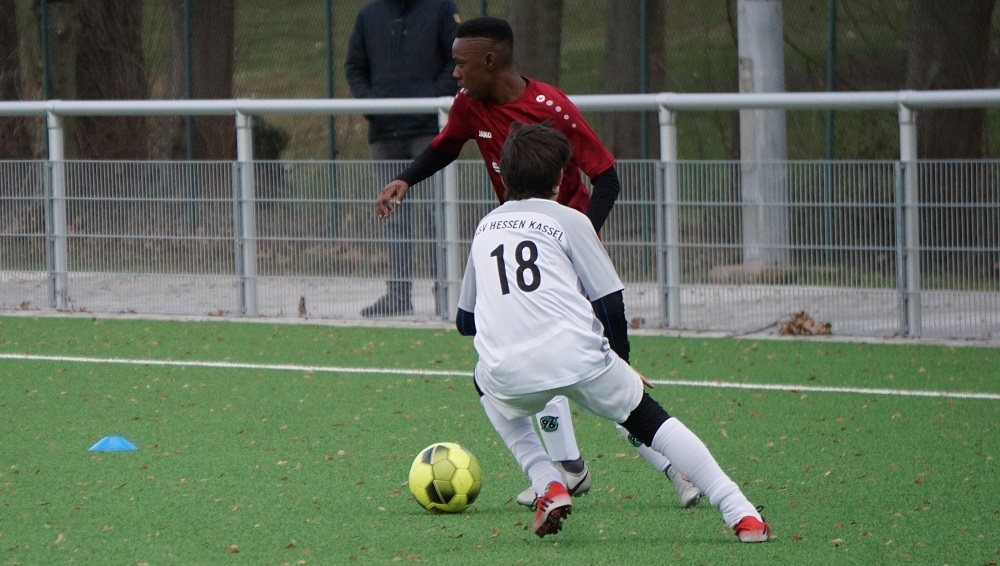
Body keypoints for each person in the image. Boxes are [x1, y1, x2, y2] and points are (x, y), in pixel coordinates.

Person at [373, 15, 702, 510]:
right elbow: (445, 148)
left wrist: (579, 241)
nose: (454, 73)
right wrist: (405, 179)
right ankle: (570, 467)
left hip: (561, 262)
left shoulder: (550, 107)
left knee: (595, 369)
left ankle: (671, 468)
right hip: (522, 253)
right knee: (541, 360)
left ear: (490, 61)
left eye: (460, 63)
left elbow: (607, 177)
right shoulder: (468, 104)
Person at [455, 122, 773, 541]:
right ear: (560, 177)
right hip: (579, 356)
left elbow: (464, 321)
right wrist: (622, 362)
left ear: (502, 174)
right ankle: (742, 514)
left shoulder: (484, 227)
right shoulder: (571, 220)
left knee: (482, 381)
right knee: (650, 421)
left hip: (506, 370)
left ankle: (547, 480)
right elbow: (610, 301)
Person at [346, 0, 462, 317]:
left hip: (430, 132)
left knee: (439, 214)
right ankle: (397, 295)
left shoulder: (440, 9)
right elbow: (354, 67)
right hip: (384, 133)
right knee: (393, 217)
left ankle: (446, 296)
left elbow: (457, 61)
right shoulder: (369, 15)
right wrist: (373, 104)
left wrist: (430, 99)